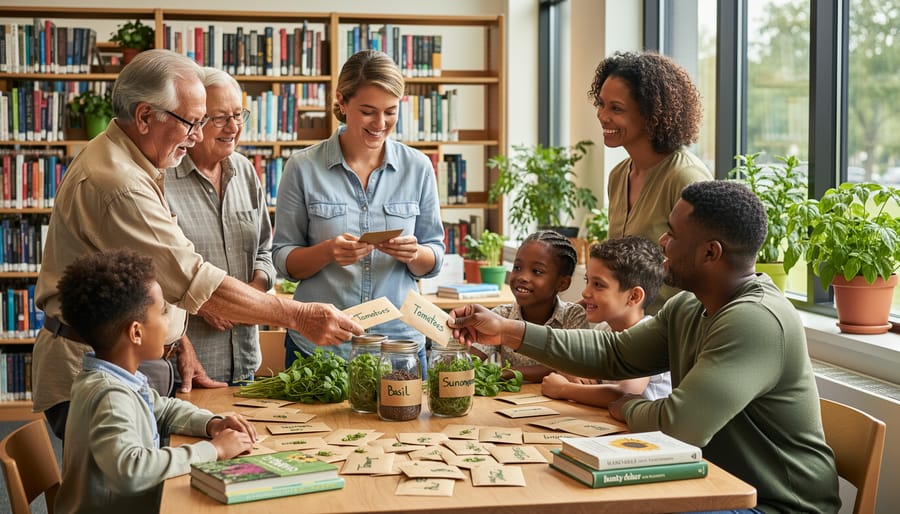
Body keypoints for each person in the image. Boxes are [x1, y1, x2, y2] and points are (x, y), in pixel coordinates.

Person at [450, 180, 841, 513]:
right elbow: (613, 354)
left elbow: (680, 425)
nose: (663, 242)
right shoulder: (688, 306)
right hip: (710, 483)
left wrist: (625, 407)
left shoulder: (755, 320)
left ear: (710, 252)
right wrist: (506, 330)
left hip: (772, 504)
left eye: (673, 234)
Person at [33, 49, 362, 440]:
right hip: (98, 368)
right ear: (143, 117)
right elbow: (192, 279)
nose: (197, 133)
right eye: (192, 121)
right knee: (131, 495)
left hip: (127, 364)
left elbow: (162, 275)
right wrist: (299, 316)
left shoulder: (137, 161)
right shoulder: (120, 184)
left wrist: (176, 341)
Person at [273, 49, 445, 367]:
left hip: (399, 347)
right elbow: (284, 261)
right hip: (319, 348)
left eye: (390, 112)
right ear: (342, 101)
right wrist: (327, 252)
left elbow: (434, 256)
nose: (380, 124)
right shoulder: (302, 167)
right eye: (368, 111)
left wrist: (415, 253)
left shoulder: (418, 167)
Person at [54, 249, 257, 514]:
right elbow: (131, 470)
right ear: (136, 333)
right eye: (163, 312)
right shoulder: (110, 395)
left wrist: (212, 423)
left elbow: (160, 407)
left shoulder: (116, 377)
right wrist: (213, 450)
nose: (168, 321)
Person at [165, 67, 273, 386]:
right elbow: (153, 273)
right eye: (220, 118)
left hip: (245, 362)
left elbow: (265, 249)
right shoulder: (163, 179)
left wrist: (252, 295)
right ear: (195, 121)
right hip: (186, 365)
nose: (234, 127)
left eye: (239, 115)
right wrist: (203, 302)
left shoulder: (245, 171)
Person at [590, 50, 712, 313]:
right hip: (625, 328)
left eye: (616, 108)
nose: (602, 116)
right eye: (601, 104)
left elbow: (705, 276)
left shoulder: (685, 177)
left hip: (668, 332)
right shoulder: (619, 175)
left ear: (651, 113)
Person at [541, 235, 671, 406]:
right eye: (587, 281)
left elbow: (625, 394)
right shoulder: (604, 329)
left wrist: (563, 389)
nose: (585, 293)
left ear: (633, 296)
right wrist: (572, 373)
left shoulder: (647, 337)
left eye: (598, 285)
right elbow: (569, 360)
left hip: (644, 432)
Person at [470, 230, 587, 382]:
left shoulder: (572, 316)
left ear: (562, 283)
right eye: (517, 267)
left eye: (537, 271)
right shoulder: (501, 315)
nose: (523, 277)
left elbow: (570, 365)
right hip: (510, 401)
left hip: (558, 401)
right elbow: (472, 358)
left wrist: (510, 372)